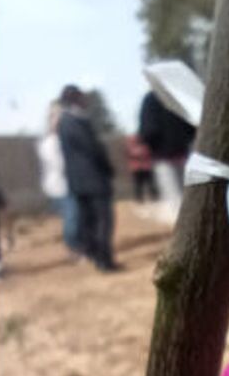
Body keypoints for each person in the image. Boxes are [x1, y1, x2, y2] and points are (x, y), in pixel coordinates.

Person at [57, 84, 119, 272]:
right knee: (102, 220)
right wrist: (108, 168)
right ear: (75, 98)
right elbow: (92, 149)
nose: (86, 101)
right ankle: (103, 260)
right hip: (93, 180)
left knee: (89, 221)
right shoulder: (76, 120)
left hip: (78, 182)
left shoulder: (63, 122)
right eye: (82, 97)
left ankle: (95, 254)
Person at [137, 90, 195, 220]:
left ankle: (184, 226)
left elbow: (148, 130)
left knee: (174, 196)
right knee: (190, 193)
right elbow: (191, 125)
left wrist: (152, 145)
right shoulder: (176, 95)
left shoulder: (151, 98)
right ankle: (193, 223)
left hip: (163, 155)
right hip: (183, 152)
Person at [36, 102, 81, 257]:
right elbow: (59, 165)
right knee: (72, 216)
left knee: (74, 216)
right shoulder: (50, 142)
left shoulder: (62, 139)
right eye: (56, 117)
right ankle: (72, 247)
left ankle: (76, 244)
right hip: (60, 186)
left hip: (68, 184)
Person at [125, 133, 157, 204]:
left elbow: (148, 153)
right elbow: (131, 155)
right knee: (138, 185)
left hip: (146, 168)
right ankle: (139, 199)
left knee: (151, 184)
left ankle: (154, 198)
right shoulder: (130, 147)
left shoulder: (145, 146)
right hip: (136, 169)